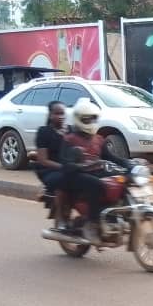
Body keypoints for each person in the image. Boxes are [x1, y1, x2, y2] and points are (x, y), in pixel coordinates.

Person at [60, 98, 133, 244]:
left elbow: (112, 157)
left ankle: (119, 214)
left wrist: (129, 164)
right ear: (79, 119)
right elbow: (65, 164)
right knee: (97, 184)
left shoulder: (98, 139)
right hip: (75, 176)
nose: (91, 122)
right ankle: (91, 223)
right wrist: (81, 166)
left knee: (123, 180)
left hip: (95, 172)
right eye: (87, 119)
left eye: (93, 119)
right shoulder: (69, 139)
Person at [35, 101, 70, 230]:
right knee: (62, 180)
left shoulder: (70, 130)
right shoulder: (44, 132)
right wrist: (63, 167)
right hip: (48, 169)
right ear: (50, 115)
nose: (61, 116)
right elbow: (43, 160)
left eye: (63, 113)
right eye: (57, 113)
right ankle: (60, 217)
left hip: (70, 168)